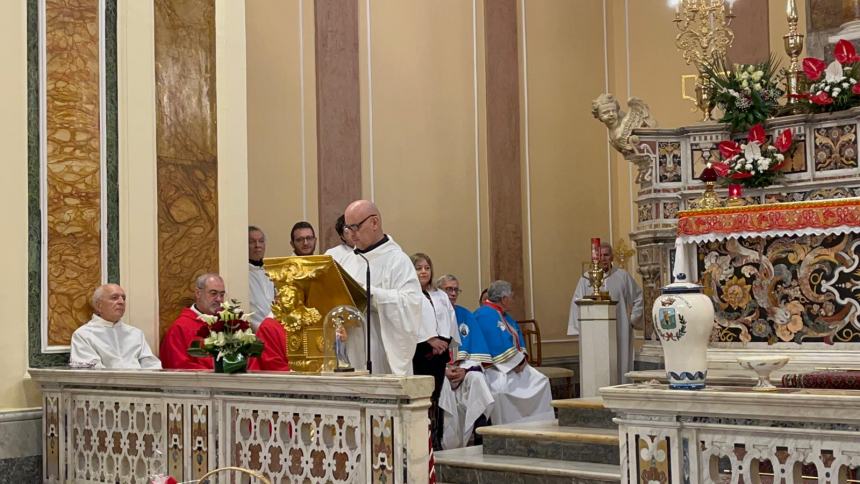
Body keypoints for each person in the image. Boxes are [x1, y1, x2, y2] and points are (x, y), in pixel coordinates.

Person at [337, 200, 426, 375]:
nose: (351, 234)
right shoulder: (347, 261)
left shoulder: (397, 260)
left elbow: (410, 303)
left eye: (355, 227)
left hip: (381, 350)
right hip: (352, 348)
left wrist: (370, 295)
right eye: (347, 228)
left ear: (374, 222)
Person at [472, 280, 554, 425]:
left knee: (541, 381)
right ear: (504, 299)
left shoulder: (504, 315)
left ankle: (538, 425)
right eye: (511, 297)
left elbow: (517, 338)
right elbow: (496, 344)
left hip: (515, 366)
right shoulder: (484, 314)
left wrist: (521, 361)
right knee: (502, 391)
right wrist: (516, 363)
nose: (513, 300)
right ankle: (509, 428)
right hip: (495, 370)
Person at [567, 242, 643, 383]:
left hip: (619, 329)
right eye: (600, 255)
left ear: (612, 257)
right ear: (594, 257)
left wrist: (633, 318)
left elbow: (639, 296)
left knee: (619, 365)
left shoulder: (623, 276)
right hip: (593, 333)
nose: (603, 258)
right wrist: (579, 329)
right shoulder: (586, 278)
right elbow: (576, 302)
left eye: (606, 255)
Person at [435, 274, 494, 449]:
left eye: (455, 290)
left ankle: (480, 434)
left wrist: (465, 371)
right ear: (438, 291)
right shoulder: (430, 313)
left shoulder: (466, 315)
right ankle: (443, 440)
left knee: (478, 379)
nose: (453, 293)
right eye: (448, 289)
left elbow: (478, 353)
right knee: (442, 384)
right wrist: (443, 369)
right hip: (441, 371)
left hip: (463, 370)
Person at [160, 273, 260, 370]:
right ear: (198, 293)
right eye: (213, 293)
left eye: (222, 294)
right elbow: (178, 367)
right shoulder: (180, 328)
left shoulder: (231, 324)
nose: (219, 299)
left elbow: (250, 358)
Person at [411, 253, 459, 449]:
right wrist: (428, 339)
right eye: (419, 267)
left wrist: (446, 342)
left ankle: (436, 438)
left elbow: (450, 320)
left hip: (440, 354)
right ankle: (422, 440)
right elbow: (408, 322)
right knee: (423, 397)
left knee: (436, 396)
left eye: (427, 267)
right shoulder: (409, 294)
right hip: (420, 353)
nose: (424, 271)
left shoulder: (440, 296)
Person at [69, 284, 161, 369]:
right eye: (114, 298)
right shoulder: (83, 335)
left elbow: (152, 366)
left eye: (123, 298)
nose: (121, 302)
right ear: (98, 306)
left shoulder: (136, 334)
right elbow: (92, 374)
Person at [248, 226, 275, 330]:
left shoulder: (271, 271)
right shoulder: (241, 274)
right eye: (252, 242)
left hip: (274, 328)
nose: (257, 245)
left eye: (261, 241)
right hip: (256, 332)